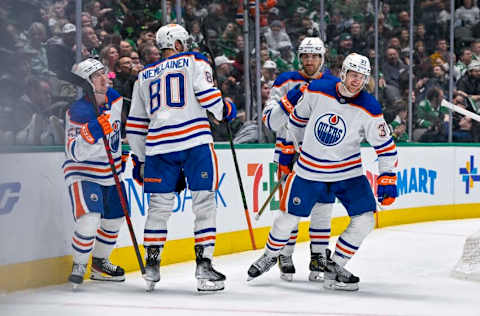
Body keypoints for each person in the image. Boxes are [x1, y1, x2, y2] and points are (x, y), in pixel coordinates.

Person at [248, 53, 398, 291]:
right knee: (288, 217)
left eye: (361, 76)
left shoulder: (370, 107)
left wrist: (387, 177)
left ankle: (335, 265)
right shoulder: (318, 89)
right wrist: (291, 148)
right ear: (343, 73)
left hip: (347, 172)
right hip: (310, 169)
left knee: (366, 218)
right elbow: (297, 120)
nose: (356, 80)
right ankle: (269, 255)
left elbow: (385, 147)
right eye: (352, 74)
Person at [126, 24, 236, 292]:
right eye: (183, 43)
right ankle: (204, 266)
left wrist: (139, 160)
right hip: (194, 143)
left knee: (159, 207)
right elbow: (211, 99)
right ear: (177, 44)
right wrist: (226, 110)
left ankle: (151, 265)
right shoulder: (194, 60)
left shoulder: (144, 75)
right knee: (204, 203)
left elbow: (135, 125)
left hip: (158, 147)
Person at [261, 37, 338, 282]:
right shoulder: (286, 81)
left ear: (322, 58)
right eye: (305, 56)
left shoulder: (334, 84)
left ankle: (318, 256)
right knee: (290, 208)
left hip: (322, 157)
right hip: (288, 152)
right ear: (299, 57)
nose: (309, 60)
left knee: (323, 208)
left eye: (314, 56)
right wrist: (290, 99)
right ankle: (285, 253)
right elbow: (270, 121)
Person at [64, 58, 126, 287]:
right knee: (90, 220)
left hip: (112, 172)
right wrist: (90, 134)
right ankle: (79, 264)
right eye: (96, 76)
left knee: (114, 221)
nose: (103, 79)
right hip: (84, 172)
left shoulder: (115, 98)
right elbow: (73, 151)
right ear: (86, 83)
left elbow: (117, 133)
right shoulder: (77, 112)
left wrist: (121, 152)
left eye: (103, 73)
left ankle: (100, 264)